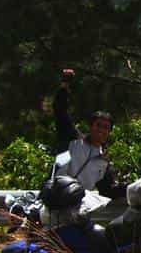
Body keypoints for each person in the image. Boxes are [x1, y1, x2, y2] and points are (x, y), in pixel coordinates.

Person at [51, 69, 125, 198]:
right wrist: (65, 85)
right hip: (55, 198)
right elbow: (60, 111)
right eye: (98, 125)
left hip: (75, 208)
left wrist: (134, 188)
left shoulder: (103, 161)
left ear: (109, 132)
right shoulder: (73, 140)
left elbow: (107, 190)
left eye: (106, 127)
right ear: (90, 126)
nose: (101, 130)